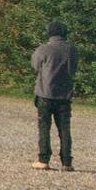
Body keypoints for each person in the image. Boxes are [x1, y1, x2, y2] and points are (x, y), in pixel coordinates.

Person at [31, 21, 79, 171]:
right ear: (65, 33)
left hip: (45, 93)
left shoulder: (44, 49)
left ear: (49, 33)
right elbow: (74, 69)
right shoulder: (72, 50)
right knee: (64, 128)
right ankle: (67, 162)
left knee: (44, 127)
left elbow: (34, 65)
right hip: (64, 95)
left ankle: (43, 159)